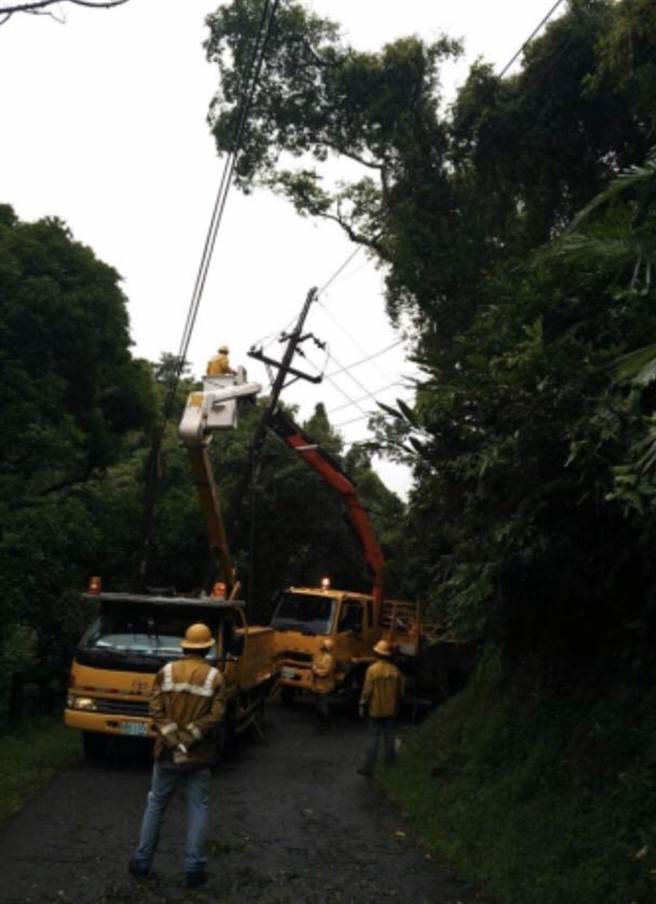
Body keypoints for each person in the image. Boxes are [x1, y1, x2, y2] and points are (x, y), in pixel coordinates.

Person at [129, 623, 224, 888]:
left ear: (185, 646)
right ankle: (194, 870)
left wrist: (172, 739)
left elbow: (155, 709)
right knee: (198, 809)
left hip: (166, 755)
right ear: (207, 647)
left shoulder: (166, 671)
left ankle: (141, 862)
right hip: (199, 756)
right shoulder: (215, 677)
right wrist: (189, 738)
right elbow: (216, 716)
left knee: (156, 805)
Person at [358, 639, 404, 776]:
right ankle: (390, 766)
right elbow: (400, 692)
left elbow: (367, 690)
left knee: (373, 738)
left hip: (375, 709)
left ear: (377, 653)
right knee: (389, 737)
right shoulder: (395, 671)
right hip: (390, 710)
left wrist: (362, 704)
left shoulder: (372, 670)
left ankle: (368, 768)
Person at [311, 638, 335, 730]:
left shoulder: (328, 658)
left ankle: (325, 723)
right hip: (317, 685)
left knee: (322, 705)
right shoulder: (320, 655)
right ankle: (320, 722)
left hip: (323, 686)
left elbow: (324, 672)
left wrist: (315, 669)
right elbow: (314, 663)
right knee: (318, 705)